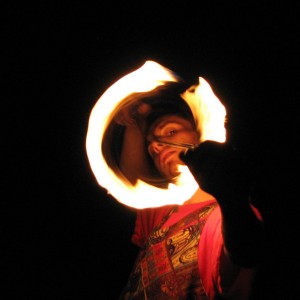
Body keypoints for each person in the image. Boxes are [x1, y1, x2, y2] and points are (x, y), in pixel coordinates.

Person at [107, 81, 265, 300]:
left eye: (170, 131)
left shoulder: (225, 215)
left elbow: (245, 250)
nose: (157, 145)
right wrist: (134, 119)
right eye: (152, 149)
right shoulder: (161, 212)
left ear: (201, 136)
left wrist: (231, 198)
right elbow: (131, 178)